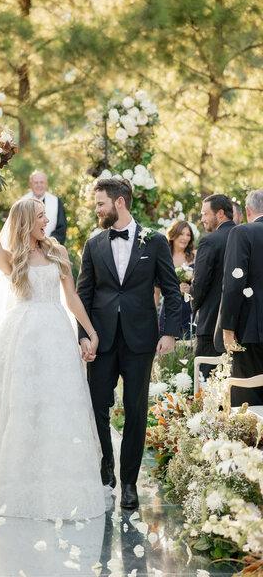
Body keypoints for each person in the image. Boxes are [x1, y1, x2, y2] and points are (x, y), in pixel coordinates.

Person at [0, 166, 106, 521]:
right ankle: (21, 476)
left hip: (57, 336)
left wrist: (89, 332)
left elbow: (73, 298)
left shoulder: (58, 252)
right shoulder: (11, 258)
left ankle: (59, 477)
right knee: (23, 406)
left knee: (59, 406)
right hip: (22, 338)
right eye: (39, 215)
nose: (46, 219)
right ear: (24, 221)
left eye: (44, 214)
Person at [76, 176, 181, 510]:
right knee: (97, 407)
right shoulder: (93, 244)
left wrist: (169, 331)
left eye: (100, 204)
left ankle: (130, 483)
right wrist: (83, 336)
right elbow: (84, 294)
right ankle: (106, 465)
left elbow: (171, 289)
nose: (97, 209)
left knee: (136, 411)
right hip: (101, 340)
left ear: (119, 202)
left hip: (140, 340)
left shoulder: (155, 242)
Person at [216, 188, 263, 406]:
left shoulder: (242, 233)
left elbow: (234, 284)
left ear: (246, 210)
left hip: (251, 331)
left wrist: (227, 329)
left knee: (248, 399)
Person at [190, 194, 235, 378]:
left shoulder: (209, 241)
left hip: (211, 326)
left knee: (205, 382)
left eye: (205, 214)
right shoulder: (247, 235)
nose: (202, 219)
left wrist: (193, 303)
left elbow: (200, 283)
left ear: (220, 214)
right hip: (241, 326)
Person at [155, 220, 195, 339]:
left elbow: (203, 284)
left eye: (188, 235)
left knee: (188, 350)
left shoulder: (195, 256)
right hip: (168, 310)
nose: (185, 238)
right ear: (173, 235)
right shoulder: (163, 257)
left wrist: (191, 288)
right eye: (181, 234)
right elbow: (155, 293)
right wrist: (154, 320)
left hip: (190, 311)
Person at [21, 170, 67, 244]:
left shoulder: (56, 201)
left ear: (46, 184)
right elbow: (19, 225)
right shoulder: (22, 202)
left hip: (51, 247)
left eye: (41, 182)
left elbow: (61, 228)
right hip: (27, 246)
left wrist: (48, 244)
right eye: (36, 182)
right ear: (30, 184)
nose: (39, 185)